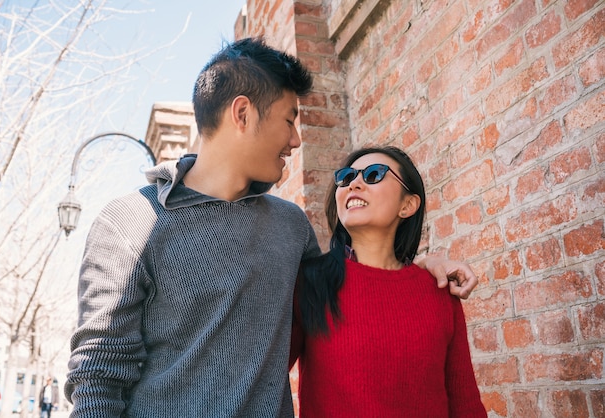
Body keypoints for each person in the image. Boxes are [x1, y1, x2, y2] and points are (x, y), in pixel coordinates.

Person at [65, 37, 478, 417]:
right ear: (242, 114)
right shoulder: (129, 223)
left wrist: (422, 266)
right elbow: (98, 378)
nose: (296, 140)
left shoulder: (289, 225)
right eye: (289, 119)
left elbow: (351, 291)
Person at [290, 146, 487, 417]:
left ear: (407, 205)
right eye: (346, 178)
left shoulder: (439, 289)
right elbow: (257, 380)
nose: (354, 183)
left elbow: (465, 403)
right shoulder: (308, 283)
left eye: (373, 175)